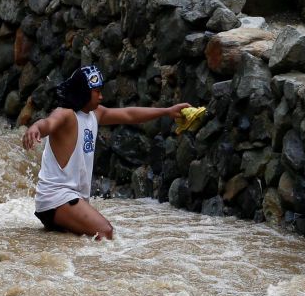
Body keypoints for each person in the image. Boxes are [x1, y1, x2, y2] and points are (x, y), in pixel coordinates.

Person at [21, 65, 190, 240]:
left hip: (71, 199)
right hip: (55, 199)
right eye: (97, 91)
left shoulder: (95, 113)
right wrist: (35, 128)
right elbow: (47, 123)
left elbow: (129, 115)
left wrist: (168, 111)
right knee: (105, 231)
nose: (101, 96)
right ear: (84, 92)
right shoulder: (65, 114)